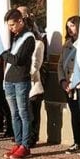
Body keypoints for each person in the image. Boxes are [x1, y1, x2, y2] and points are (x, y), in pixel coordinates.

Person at [2, 8, 35, 159]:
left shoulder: (28, 38)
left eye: (13, 25)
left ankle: (25, 145)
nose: (11, 28)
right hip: (9, 80)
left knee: (23, 113)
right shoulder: (15, 38)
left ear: (20, 21)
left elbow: (18, 60)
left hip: (21, 80)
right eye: (9, 26)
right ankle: (18, 141)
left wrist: (4, 54)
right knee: (14, 113)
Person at [59, 16, 80, 153]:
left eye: (72, 26)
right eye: (68, 27)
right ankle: (76, 140)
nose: (70, 29)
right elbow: (61, 64)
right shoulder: (67, 44)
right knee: (74, 113)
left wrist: (74, 81)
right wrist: (62, 81)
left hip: (78, 83)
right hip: (67, 83)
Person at [27, 15, 45, 149]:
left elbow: (36, 64)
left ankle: (32, 137)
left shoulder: (38, 43)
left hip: (33, 83)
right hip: (20, 83)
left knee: (32, 113)